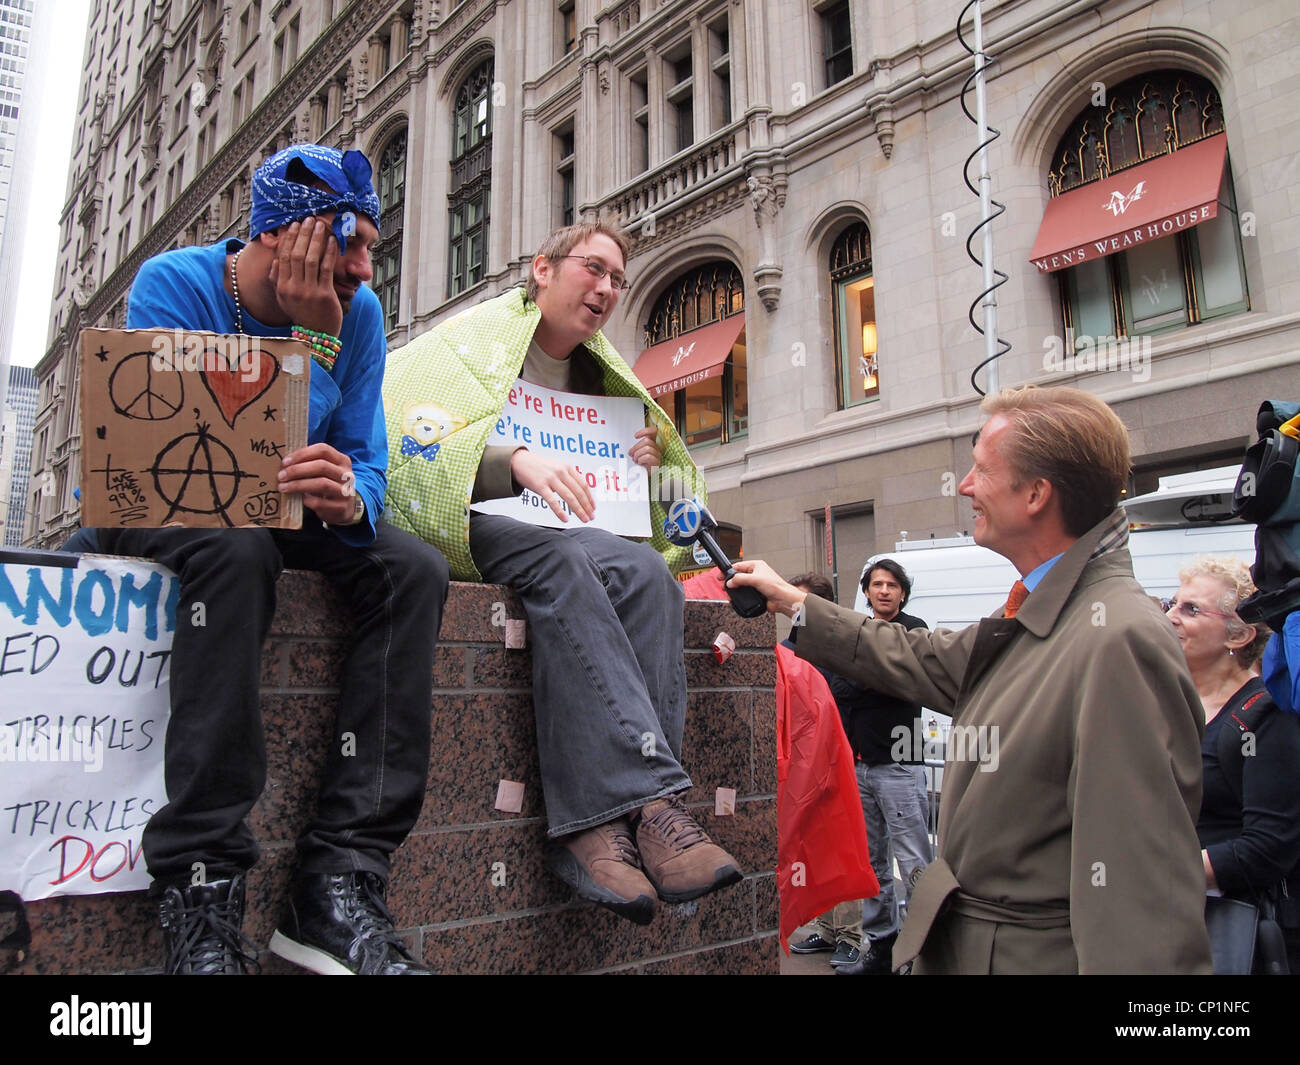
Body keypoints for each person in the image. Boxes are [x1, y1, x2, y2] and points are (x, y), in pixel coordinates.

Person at [79, 145, 449, 974]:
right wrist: (307, 347)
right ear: (282, 237)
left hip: (283, 509)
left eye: (369, 246)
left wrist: (351, 498)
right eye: (344, 241)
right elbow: (175, 451)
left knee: (414, 570)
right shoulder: (172, 283)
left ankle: (341, 875)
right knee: (236, 547)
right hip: (170, 503)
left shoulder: (359, 316)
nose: (362, 265)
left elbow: (368, 460)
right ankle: (201, 874)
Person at [729, 385, 1212, 974]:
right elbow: (922, 657)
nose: (963, 486)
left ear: (1036, 495)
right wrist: (794, 602)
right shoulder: (1048, 614)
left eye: (981, 470)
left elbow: (1143, 914)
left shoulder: (1119, 640)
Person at [382, 221, 742, 925]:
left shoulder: (605, 376)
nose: (607, 288)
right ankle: (607, 821)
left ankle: (644, 821)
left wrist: (648, 467)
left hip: (572, 533)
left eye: (617, 278)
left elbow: (662, 510)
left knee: (645, 575)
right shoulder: (464, 346)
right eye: (594, 268)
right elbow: (407, 439)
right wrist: (510, 460)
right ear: (542, 268)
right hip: (477, 518)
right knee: (566, 559)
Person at [1166, 556, 1300, 972]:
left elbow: (1267, 848)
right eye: (1171, 604)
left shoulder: (1264, 716)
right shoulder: (1162, 703)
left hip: (1234, 939)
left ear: (1239, 634)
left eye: (1190, 609)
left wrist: (1159, 875)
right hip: (1166, 924)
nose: (1170, 617)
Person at [829, 559, 932, 976]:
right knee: (870, 864)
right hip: (860, 763)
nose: (884, 591)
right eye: (877, 584)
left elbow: (898, 682)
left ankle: (923, 951)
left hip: (900, 763)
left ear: (902, 593)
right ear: (866, 591)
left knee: (914, 864)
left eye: (892, 585)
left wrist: (861, 678)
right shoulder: (856, 629)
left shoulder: (913, 628)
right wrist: (865, 678)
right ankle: (881, 947)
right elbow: (836, 684)